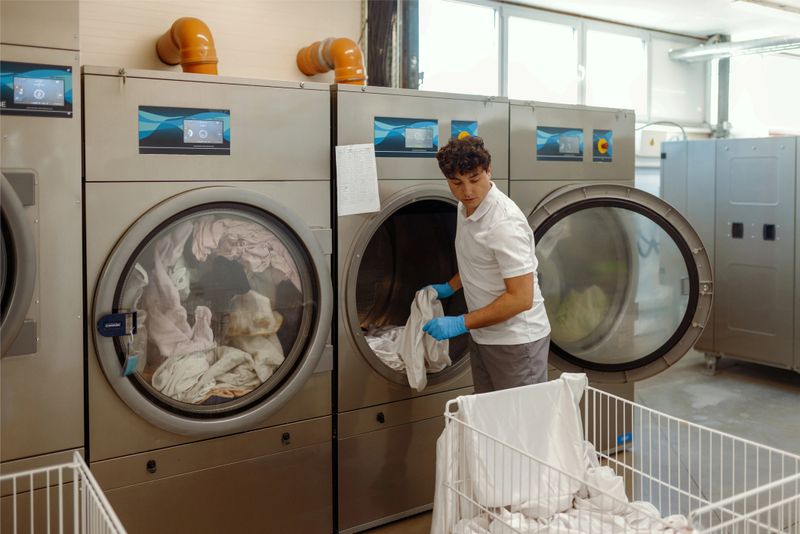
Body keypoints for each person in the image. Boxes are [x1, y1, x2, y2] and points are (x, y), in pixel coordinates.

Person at [421, 136, 551, 393]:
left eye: (475, 179)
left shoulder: (504, 223)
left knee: (520, 428)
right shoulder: (465, 208)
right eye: (456, 183)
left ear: (489, 171)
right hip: (484, 336)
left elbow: (521, 298)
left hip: (516, 342)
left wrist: (460, 323)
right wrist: (449, 287)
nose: (467, 191)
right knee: (492, 424)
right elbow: (478, 260)